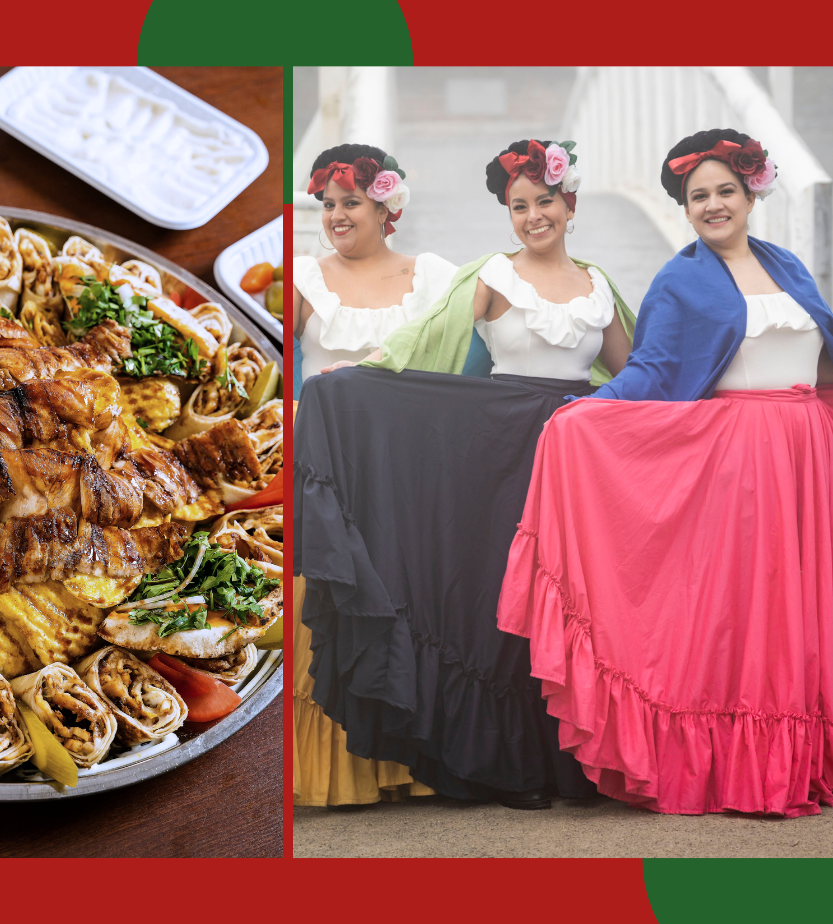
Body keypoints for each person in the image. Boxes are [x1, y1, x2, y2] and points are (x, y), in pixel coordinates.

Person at [497, 128, 833, 816]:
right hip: (742, 461)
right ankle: (746, 767)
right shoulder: (682, 279)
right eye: (697, 196)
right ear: (684, 208)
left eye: (725, 191)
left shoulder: (791, 267)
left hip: (807, 452)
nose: (713, 205)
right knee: (753, 615)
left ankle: (802, 760)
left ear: (751, 195)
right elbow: (651, 368)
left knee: (805, 612)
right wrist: (585, 414)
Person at [295, 140, 634, 809]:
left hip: (573, 451)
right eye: (519, 206)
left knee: (571, 596)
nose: (533, 216)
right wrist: (363, 374)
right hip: (501, 447)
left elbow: (639, 373)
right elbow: (426, 339)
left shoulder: (598, 285)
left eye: (544, 202)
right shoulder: (491, 274)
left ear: (569, 205)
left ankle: (570, 762)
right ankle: (508, 767)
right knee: (501, 598)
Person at [290, 143, 453, 807]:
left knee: (402, 594)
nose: (336, 215)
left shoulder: (433, 276)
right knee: (333, 596)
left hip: (404, 467)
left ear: (388, 206)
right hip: (327, 467)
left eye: (351, 202)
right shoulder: (303, 278)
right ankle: (336, 772)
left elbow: (461, 364)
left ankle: (410, 761)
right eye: (327, 204)